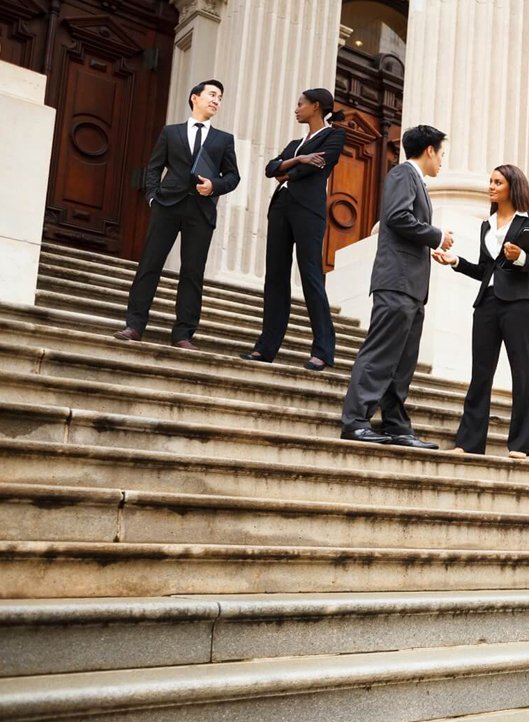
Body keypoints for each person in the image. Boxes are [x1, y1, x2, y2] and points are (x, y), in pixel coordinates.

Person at [339, 124, 454, 448]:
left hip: (413, 287)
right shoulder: (403, 175)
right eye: (442, 153)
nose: (442, 161)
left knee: (402, 362)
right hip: (397, 281)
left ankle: (396, 425)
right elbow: (398, 217)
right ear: (429, 150)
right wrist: (437, 235)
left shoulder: (416, 181)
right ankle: (355, 421)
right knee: (380, 354)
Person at [432, 164, 529, 458]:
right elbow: (485, 269)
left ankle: (521, 445)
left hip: (519, 304)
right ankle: (469, 443)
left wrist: (521, 256)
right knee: (480, 373)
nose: (491, 186)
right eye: (490, 181)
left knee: (522, 372)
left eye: (498, 182)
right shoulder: (488, 224)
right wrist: (455, 261)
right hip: (486, 303)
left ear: (513, 186)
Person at [114, 79, 241, 349]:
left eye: (220, 97)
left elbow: (233, 176)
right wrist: (152, 197)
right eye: (212, 94)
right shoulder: (170, 132)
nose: (216, 100)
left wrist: (214, 186)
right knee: (150, 264)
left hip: (201, 211)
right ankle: (134, 325)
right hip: (167, 206)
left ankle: (183, 334)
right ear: (195, 97)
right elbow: (154, 166)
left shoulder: (223, 139)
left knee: (192, 273)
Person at [243, 88, 347, 370]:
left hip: (308, 209)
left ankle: (323, 350)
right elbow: (270, 169)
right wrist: (299, 160)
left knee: (311, 274)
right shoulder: (294, 144)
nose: (296, 108)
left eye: (300, 103)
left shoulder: (335, 135)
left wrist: (287, 170)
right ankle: (265, 348)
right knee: (275, 276)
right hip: (280, 207)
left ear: (316, 106)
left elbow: (320, 164)